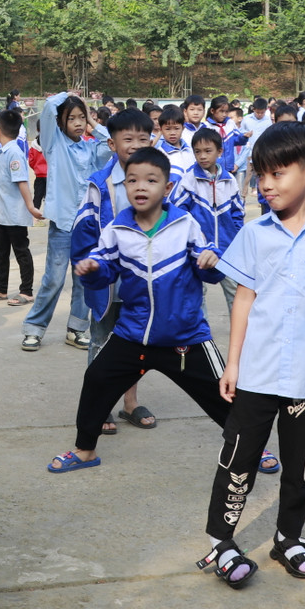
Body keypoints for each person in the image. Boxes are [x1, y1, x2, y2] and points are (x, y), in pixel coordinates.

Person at [201, 123, 305, 587]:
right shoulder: (255, 234)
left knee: (301, 463)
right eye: (260, 175)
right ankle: (221, 540)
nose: (266, 185)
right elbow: (243, 299)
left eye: (277, 174)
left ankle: (288, 537)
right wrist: (232, 362)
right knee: (238, 459)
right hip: (256, 373)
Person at [49, 146, 235, 475]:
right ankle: (85, 450)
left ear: (167, 189)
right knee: (97, 379)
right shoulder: (118, 229)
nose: (140, 186)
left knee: (224, 393)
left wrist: (211, 262)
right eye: (132, 180)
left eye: (150, 180)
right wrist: (92, 270)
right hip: (133, 334)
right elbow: (105, 269)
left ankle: (248, 445)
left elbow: (208, 264)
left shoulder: (184, 224)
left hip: (185, 337)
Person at [73, 108, 157, 433]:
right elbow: (84, 229)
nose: (135, 145)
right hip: (108, 282)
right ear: (111, 143)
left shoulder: (159, 180)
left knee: (136, 344)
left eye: (143, 138)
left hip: (142, 282)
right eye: (128, 139)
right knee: (100, 339)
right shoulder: (99, 184)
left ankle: (130, 403)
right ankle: (99, 403)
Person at [21, 92, 102, 352]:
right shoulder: (54, 144)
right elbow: (47, 109)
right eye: (72, 119)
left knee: (83, 280)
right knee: (54, 279)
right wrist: (68, 95)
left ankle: (77, 329)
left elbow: (111, 142)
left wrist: (92, 119)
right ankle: (34, 328)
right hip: (62, 224)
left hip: (87, 225)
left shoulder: (91, 147)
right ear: (61, 123)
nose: (78, 123)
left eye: (82, 118)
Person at [172, 128, 243, 318]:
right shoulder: (188, 180)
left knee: (235, 292)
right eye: (197, 151)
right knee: (197, 293)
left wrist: (237, 239)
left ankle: (242, 337)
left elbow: (238, 214)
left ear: (220, 152)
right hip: (198, 252)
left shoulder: (230, 181)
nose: (202, 156)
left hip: (227, 250)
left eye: (208, 151)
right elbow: (178, 213)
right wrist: (192, 240)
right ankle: (200, 338)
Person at [0, 109, 42, 304]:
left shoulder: (13, 152)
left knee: (21, 251)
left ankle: (26, 291)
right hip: (0, 213)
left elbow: (21, 181)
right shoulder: (3, 151)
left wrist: (31, 207)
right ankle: (0, 288)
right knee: (1, 252)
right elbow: (1, 182)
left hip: (13, 214)